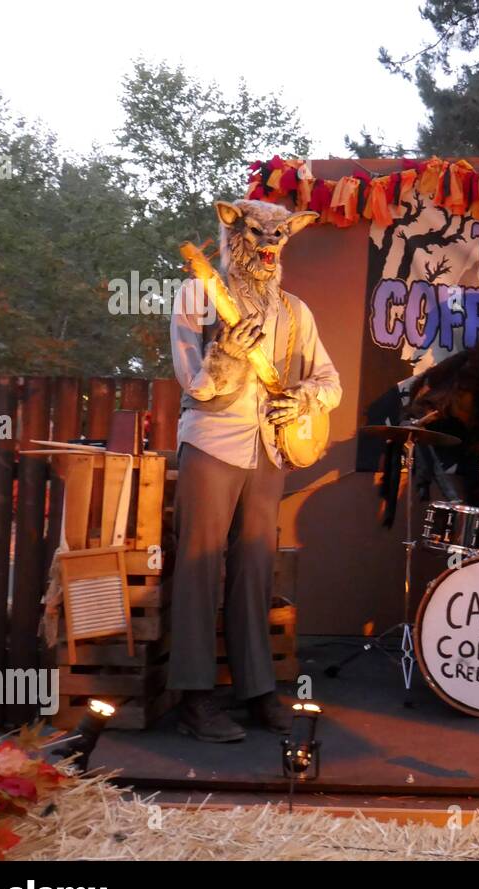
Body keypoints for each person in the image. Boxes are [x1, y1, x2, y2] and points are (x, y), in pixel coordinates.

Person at [169, 199, 341, 742]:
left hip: (269, 450)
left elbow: (330, 383)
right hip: (212, 444)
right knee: (198, 567)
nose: (269, 246)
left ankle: (257, 690)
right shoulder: (200, 294)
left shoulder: (296, 312)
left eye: (279, 237)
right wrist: (224, 358)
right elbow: (193, 383)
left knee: (255, 570)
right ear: (234, 234)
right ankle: (194, 698)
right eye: (258, 235)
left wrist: (304, 400)